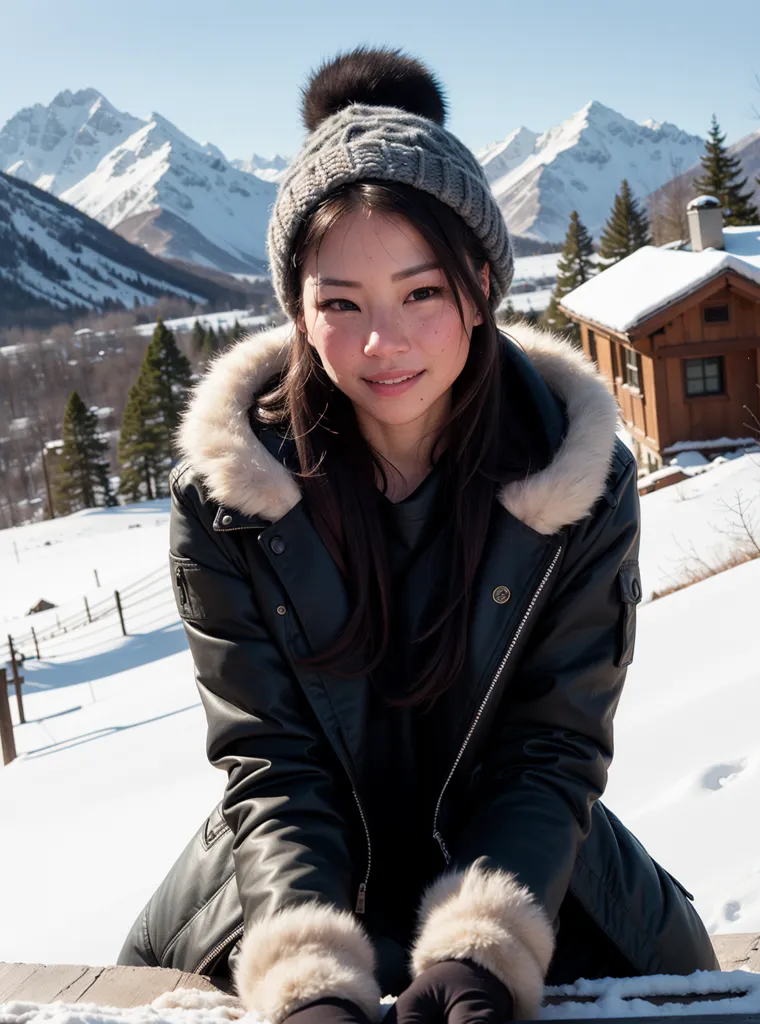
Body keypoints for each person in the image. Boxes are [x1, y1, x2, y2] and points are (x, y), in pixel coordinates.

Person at [118, 45, 718, 1024]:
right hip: (282, 882)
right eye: (339, 304)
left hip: (534, 872)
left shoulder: (574, 477)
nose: (379, 343)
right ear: (298, 313)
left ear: (480, 283)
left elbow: (548, 750)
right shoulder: (230, 493)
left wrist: (485, 948)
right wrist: (306, 973)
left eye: (420, 292)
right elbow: (272, 759)